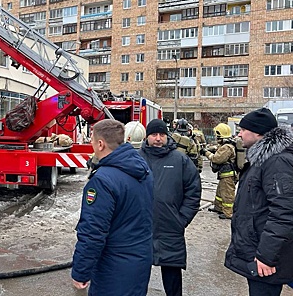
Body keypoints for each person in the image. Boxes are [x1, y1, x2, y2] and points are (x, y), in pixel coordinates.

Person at [72, 119, 154, 295]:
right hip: (140, 260)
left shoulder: (102, 181)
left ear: (101, 144)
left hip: (114, 267)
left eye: (92, 139)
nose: (90, 143)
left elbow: (93, 231)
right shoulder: (142, 169)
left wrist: (81, 271)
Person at [224, 108, 293, 295]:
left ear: (257, 132)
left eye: (242, 129)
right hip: (259, 253)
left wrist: (266, 257)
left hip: (266, 260)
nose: (239, 133)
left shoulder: (277, 162)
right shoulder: (263, 159)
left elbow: (284, 213)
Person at [139, 119, 201, 296]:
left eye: (162, 135)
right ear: (147, 136)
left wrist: (181, 219)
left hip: (170, 228)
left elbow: (193, 191)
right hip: (141, 228)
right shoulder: (137, 158)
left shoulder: (180, 160)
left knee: (172, 278)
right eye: (154, 135)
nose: (158, 138)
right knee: (137, 276)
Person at [201, 123, 236, 219]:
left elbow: (217, 159)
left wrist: (206, 152)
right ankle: (219, 207)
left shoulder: (227, 147)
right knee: (220, 192)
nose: (216, 137)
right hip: (224, 174)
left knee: (227, 194)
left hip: (228, 175)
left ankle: (228, 213)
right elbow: (218, 149)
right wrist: (211, 149)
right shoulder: (225, 145)